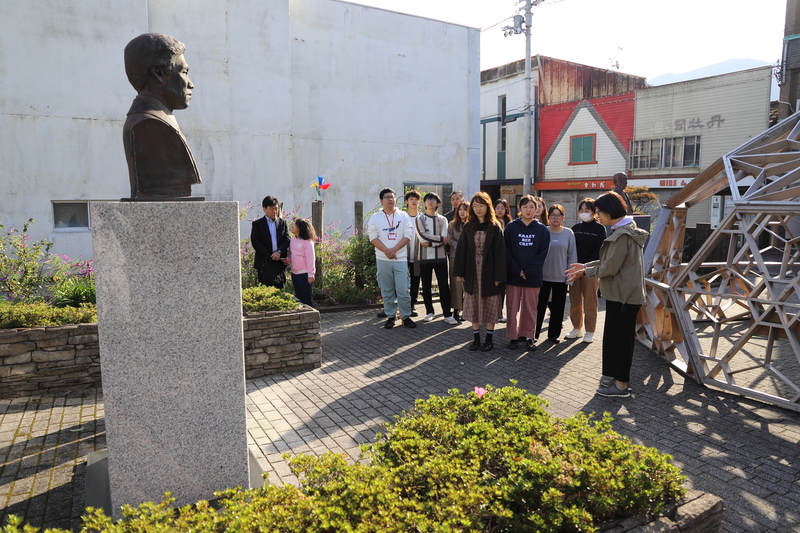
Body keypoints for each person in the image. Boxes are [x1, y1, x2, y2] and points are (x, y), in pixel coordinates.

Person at [566, 191, 648, 398]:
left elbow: (609, 267)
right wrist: (585, 266)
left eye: (599, 211)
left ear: (610, 211)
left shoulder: (622, 234)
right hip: (620, 295)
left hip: (624, 296)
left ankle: (621, 385)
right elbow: (609, 262)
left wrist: (585, 270)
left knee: (620, 341)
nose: (597, 215)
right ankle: (611, 377)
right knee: (613, 339)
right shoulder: (621, 230)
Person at [122, 33, 201, 199]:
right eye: (184, 72)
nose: (190, 84)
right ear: (158, 73)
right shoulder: (148, 124)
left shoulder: (156, 120)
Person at [453, 192, 506, 351]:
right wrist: (459, 271)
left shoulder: (495, 227)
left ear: (487, 206)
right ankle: (476, 338)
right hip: (472, 272)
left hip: (489, 272)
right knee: (473, 304)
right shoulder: (468, 226)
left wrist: (499, 276)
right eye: (475, 206)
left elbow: (500, 253)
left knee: (490, 305)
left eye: (481, 205)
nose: (478, 209)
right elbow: (461, 250)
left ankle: (489, 339)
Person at [505, 195, 550, 351]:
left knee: (530, 309)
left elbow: (542, 254)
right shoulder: (511, 227)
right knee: (512, 308)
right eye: (525, 207)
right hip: (513, 275)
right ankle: (513, 337)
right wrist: (517, 270)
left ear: (536, 208)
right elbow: (507, 251)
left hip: (533, 276)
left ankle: (529, 336)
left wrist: (529, 271)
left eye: (532, 207)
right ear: (520, 208)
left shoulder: (542, 229)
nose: (529, 210)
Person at [367, 188, 417, 329]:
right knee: (387, 290)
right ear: (381, 201)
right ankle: (390, 316)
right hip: (382, 259)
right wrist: (386, 251)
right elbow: (373, 237)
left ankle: (405, 316)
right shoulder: (375, 217)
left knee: (402, 290)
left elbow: (408, 235)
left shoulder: (403, 216)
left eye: (392, 197)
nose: (390, 200)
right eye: (387, 197)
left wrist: (394, 250)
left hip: (400, 258)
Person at [565, 198, 607, 343]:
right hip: (574, 269)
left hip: (591, 270)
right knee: (574, 300)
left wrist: (585, 266)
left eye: (587, 210)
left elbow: (599, 251)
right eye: (581, 210)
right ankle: (576, 328)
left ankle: (590, 331)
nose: (584, 213)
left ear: (594, 212)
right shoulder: (575, 228)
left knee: (590, 301)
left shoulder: (600, 229)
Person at [535, 203, 577, 344]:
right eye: (553, 215)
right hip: (542, 277)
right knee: (539, 306)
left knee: (558, 309)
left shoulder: (568, 233)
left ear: (563, 217)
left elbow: (572, 256)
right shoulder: (543, 231)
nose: (555, 218)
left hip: (560, 277)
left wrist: (570, 278)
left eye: (558, 215)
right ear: (548, 217)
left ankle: (553, 335)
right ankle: (533, 334)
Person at [415, 192, 456, 324]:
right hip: (424, 258)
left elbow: (446, 238)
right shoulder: (419, 219)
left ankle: (447, 314)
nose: (430, 201)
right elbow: (422, 237)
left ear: (438, 203)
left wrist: (431, 242)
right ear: (424, 202)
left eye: (433, 199)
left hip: (441, 257)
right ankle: (429, 312)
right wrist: (438, 240)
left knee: (444, 285)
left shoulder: (443, 219)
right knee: (426, 286)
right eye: (428, 199)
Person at [251, 196, 291, 289]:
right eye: (271, 209)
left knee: (280, 290)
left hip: (279, 262)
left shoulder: (282, 223)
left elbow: (287, 239)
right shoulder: (257, 224)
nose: (274, 211)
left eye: (276, 208)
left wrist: (279, 252)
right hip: (264, 262)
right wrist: (270, 255)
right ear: (264, 209)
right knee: (265, 290)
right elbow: (256, 242)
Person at [285, 218, 316, 307]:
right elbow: (291, 254)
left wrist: (311, 274)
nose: (292, 225)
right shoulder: (292, 240)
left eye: (294, 224)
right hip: (295, 273)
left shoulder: (308, 242)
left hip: (305, 274)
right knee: (298, 297)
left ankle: (310, 316)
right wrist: (288, 259)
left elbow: (311, 258)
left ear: (299, 227)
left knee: (306, 297)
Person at [447, 202, 469, 322]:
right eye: (460, 210)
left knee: (468, 284)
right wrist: (458, 247)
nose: (462, 212)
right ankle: (456, 309)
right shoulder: (452, 224)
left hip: (469, 257)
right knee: (455, 283)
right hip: (455, 255)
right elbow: (449, 238)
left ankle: (466, 309)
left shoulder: (472, 224)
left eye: (465, 210)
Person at [405, 189, 422, 317]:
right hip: (402, 255)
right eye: (411, 199)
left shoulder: (422, 218)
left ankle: (412, 305)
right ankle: (400, 305)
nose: (414, 201)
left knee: (415, 281)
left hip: (418, 256)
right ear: (407, 201)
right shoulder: (401, 217)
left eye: (416, 199)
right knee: (402, 281)